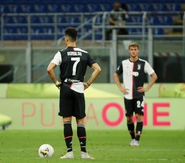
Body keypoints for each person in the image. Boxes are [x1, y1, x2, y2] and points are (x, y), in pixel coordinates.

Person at [47, 27, 101, 159]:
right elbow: (98, 69)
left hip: (65, 86)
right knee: (80, 120)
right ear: (76, 39)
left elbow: (49, 69)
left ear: (66, 39)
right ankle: (83, 153)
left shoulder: (61, 53)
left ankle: (69, 152)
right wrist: (87, 83)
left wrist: (56, 82)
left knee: (66, 120)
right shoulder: (84, 53)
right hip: (78, 87)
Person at [113, 42, 157, 146]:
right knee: (129, 117)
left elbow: (154, 76)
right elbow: (115, 74)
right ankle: (132, 138)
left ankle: (137, 140)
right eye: (131, 49)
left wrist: (146, 88)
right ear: (129, 51)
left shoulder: (143, 63)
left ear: (138, 51)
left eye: (135, 49)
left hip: (139, 95)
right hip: (127, 95)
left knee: (139, 116)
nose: (133, 51)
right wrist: (120, 87)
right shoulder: (124, 63)